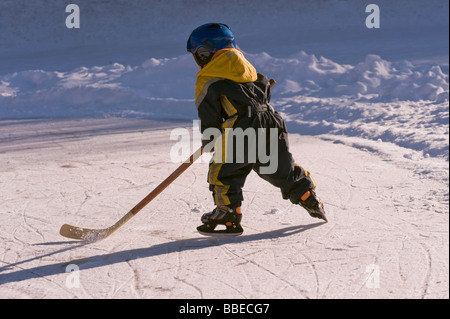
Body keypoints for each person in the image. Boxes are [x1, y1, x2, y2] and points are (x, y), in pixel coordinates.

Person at [186, 23, 327, 236]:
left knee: (223, 171)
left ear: (205, 54)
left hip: (242, 128)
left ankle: (228, 213)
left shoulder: (208, 80)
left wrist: (211, 138)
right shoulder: (250, 70)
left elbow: (210, 116)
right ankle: (307, 194)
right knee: (276, 167)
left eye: (197, 54)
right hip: (271, 122)